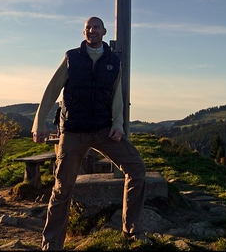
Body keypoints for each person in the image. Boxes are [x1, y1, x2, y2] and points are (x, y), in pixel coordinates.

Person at [32, 16, 151, 249]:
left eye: (96, 27)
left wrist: (118, 124)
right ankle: (52, 244)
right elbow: (51, 90)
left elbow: (117, 96)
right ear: (84, 32)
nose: (91, 30)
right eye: (88, 27)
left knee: (137, 169)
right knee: (62, 187)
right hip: (73, 131)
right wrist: (39, 123)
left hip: (103, 130)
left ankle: (132, 228)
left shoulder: (113, 61)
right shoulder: (72, 58)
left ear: (104, 31)